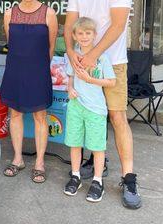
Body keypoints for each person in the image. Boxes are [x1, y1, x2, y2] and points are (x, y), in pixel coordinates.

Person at [64, 0, 140, 209]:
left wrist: (92, 56)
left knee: (118, 117)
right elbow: (69, 26)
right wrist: (73, 56)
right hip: (82, 62)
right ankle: (97, 161)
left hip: (112, 62)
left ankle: (129, 177)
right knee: (86, 115)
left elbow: (118, 25)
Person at [0, 0, 58, 183]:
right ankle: (17, 159)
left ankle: (39, 162)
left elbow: (51, 46)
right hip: (15, 70)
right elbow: (11, 42)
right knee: (14, 114)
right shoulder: (9, 14)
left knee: (40, 117)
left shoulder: (48, 13)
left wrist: (40, 67)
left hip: (38, 71)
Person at [63, 17, 116, 203]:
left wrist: (90, 79)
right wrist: (70, 89)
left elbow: (111, 81)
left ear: (94, 35)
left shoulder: (101, 57)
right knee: (75, 143)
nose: (84, 36)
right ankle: (76, 176)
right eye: (80, 33)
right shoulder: (73, 55)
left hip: (95, 108)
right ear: (74, 36)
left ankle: (97, 181)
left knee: (97, 146)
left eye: (88, 33)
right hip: (76, 106)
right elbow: (70, 77)